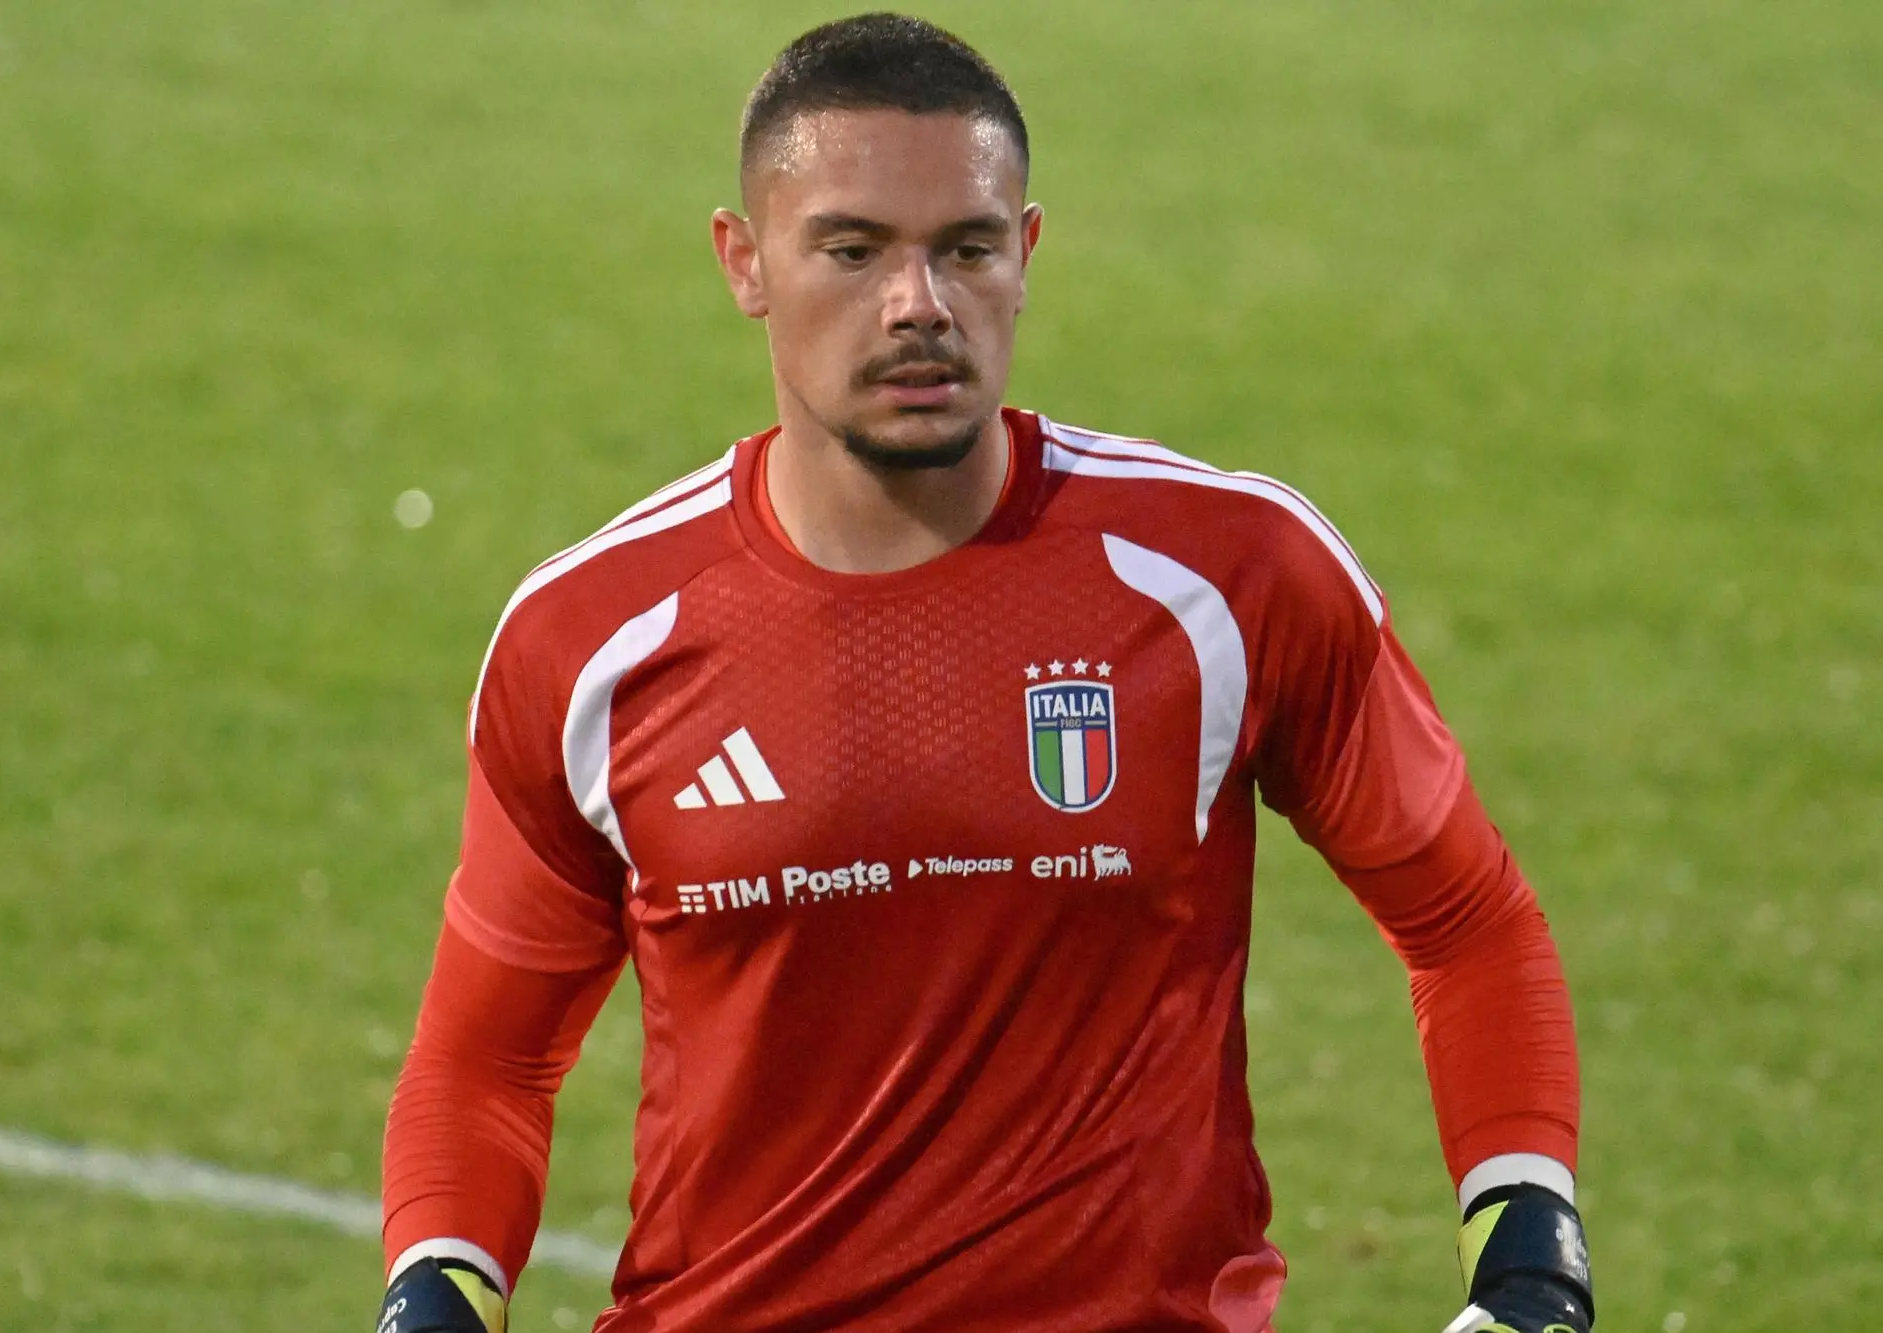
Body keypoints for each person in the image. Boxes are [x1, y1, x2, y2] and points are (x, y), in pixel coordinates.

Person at [374, 14, 1592, 1333]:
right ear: (746, 263)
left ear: (1027, 252)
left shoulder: (1229, 578)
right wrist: (434, 1296)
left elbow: (1466, 922)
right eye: (851, 251)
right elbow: (488, 1053)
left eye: (967, 248)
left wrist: (1529, 1261)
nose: (919, 306)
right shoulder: (595, 641)